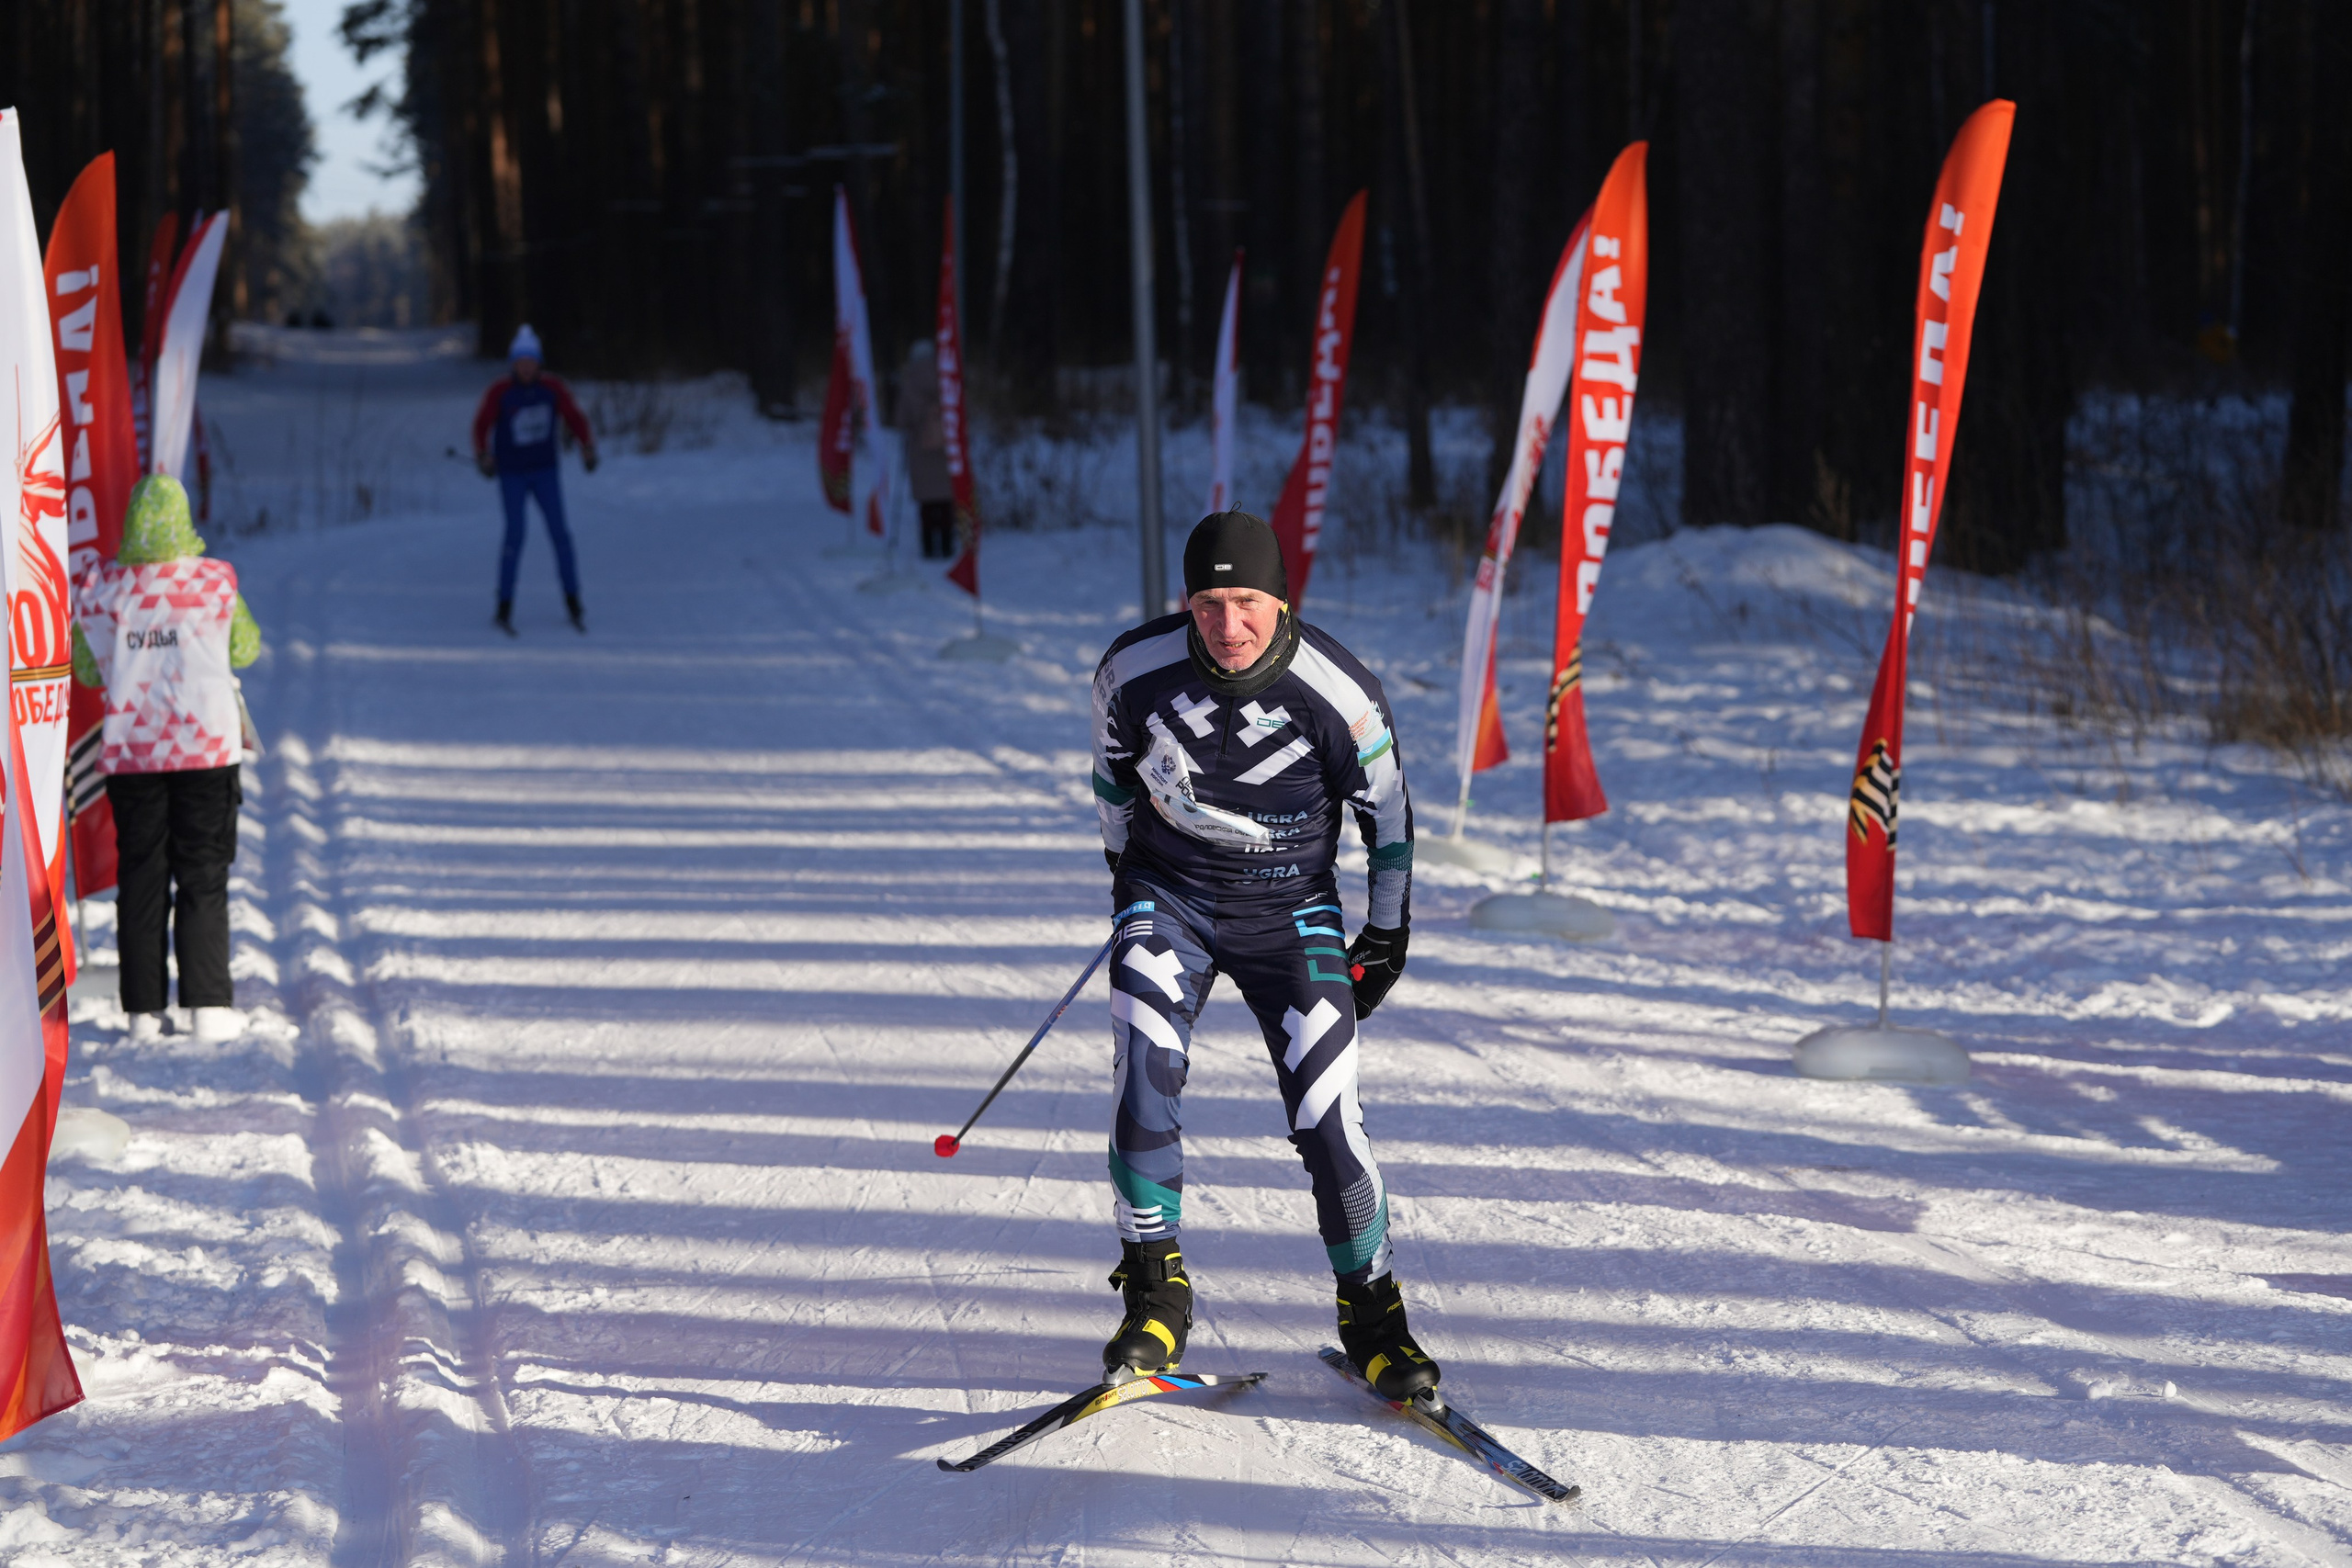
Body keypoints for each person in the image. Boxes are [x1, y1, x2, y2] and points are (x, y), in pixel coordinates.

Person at [1089, 510, 1432, 1399]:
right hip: (1172, 900)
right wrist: (1125, 883)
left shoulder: (1340, 692)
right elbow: (1111, 781)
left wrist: (1385, 935)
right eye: (1206, 604)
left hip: (1290, 914)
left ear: (1281, 600)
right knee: (1143, 1070)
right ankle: (1155, 1293)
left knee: (1327, 1113)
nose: (1227, 626)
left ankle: (1374, 1315)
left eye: (1246, 602)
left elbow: (1387, 822)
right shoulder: (1133, 670)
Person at [69, 476, 263, 1045]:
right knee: (203, 873)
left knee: (142, 877)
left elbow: (84, 668)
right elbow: (245, 648)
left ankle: (142, 1014)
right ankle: (208, 1007)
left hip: (133, 757)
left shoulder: (101, 588)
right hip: (206, 754)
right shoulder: (215, 582)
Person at [470, 323, 598, 635]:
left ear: (539, 363)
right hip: (513, 475)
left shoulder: (552, 389)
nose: (526, 368)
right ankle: (504, 605)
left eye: (531, 362)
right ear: (513, 364)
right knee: (515, 536)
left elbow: (574, 417)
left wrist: (587, 447)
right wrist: (483, 455)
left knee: (560, 536)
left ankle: (573, 601)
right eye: (520, 362)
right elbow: (481, 425)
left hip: (545, 473)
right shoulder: (501, 392)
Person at [898, 341, 956, 558]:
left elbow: (901, 420)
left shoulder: (910, 383)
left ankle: (930, 547)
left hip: (920, 452)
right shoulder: (947, 378)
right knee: (945, 498)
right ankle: (948, 544)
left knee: (927, 502)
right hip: (946, 451)